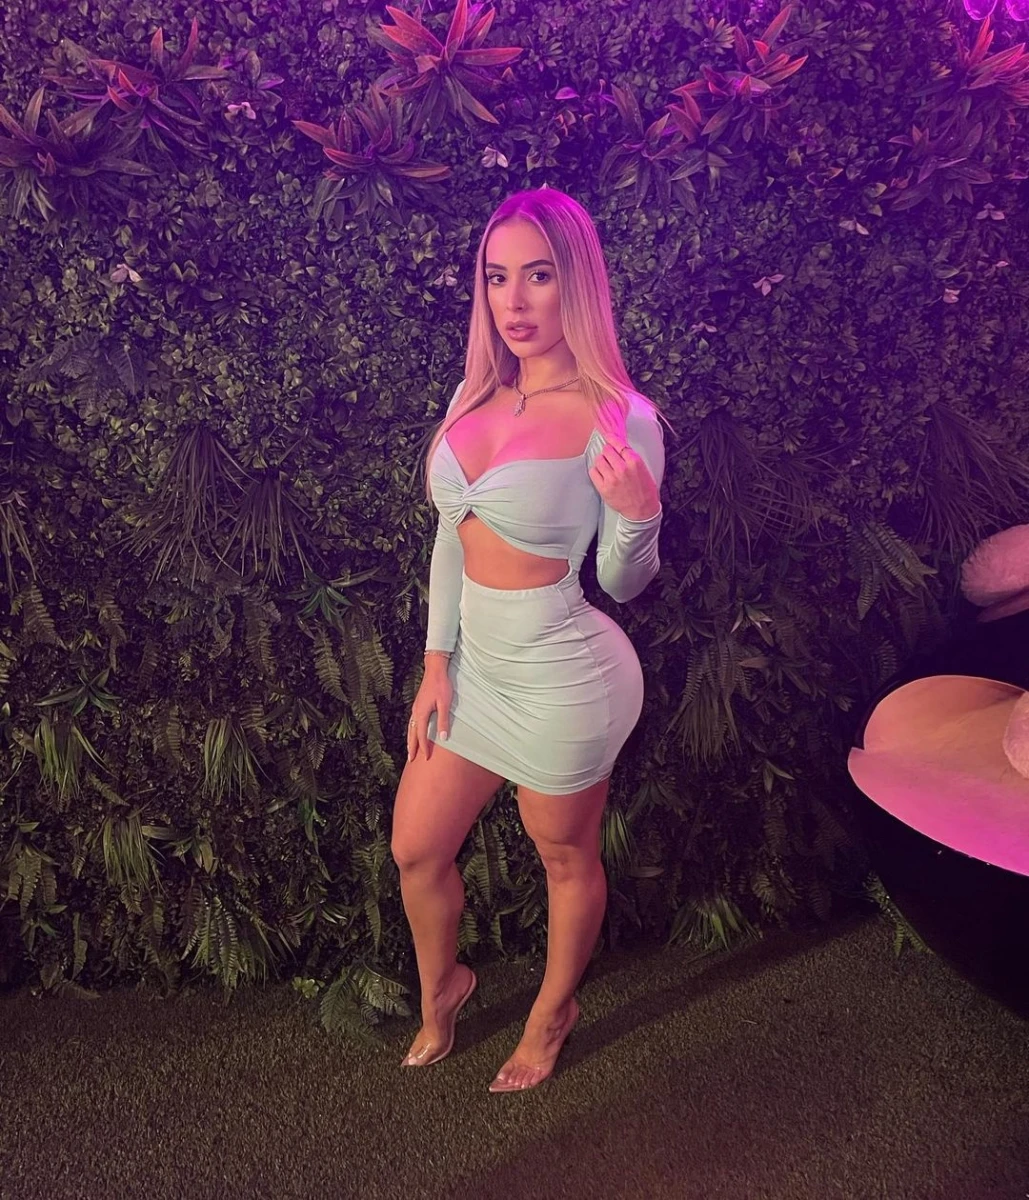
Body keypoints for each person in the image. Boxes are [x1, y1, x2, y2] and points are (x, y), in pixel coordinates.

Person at [390, 187, 667, 1093]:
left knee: (563, 855)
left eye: (538, 276)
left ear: (575, 284)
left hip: (564, 678)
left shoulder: (621, 416)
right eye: (497, 276)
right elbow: (450, 535)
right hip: (474, 674)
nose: (514, 300)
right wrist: (435, 665)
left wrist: (638, 515)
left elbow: (623, 582)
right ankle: (444, 989)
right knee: (416, 849)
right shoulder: (472, 395)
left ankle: (552, 1012)